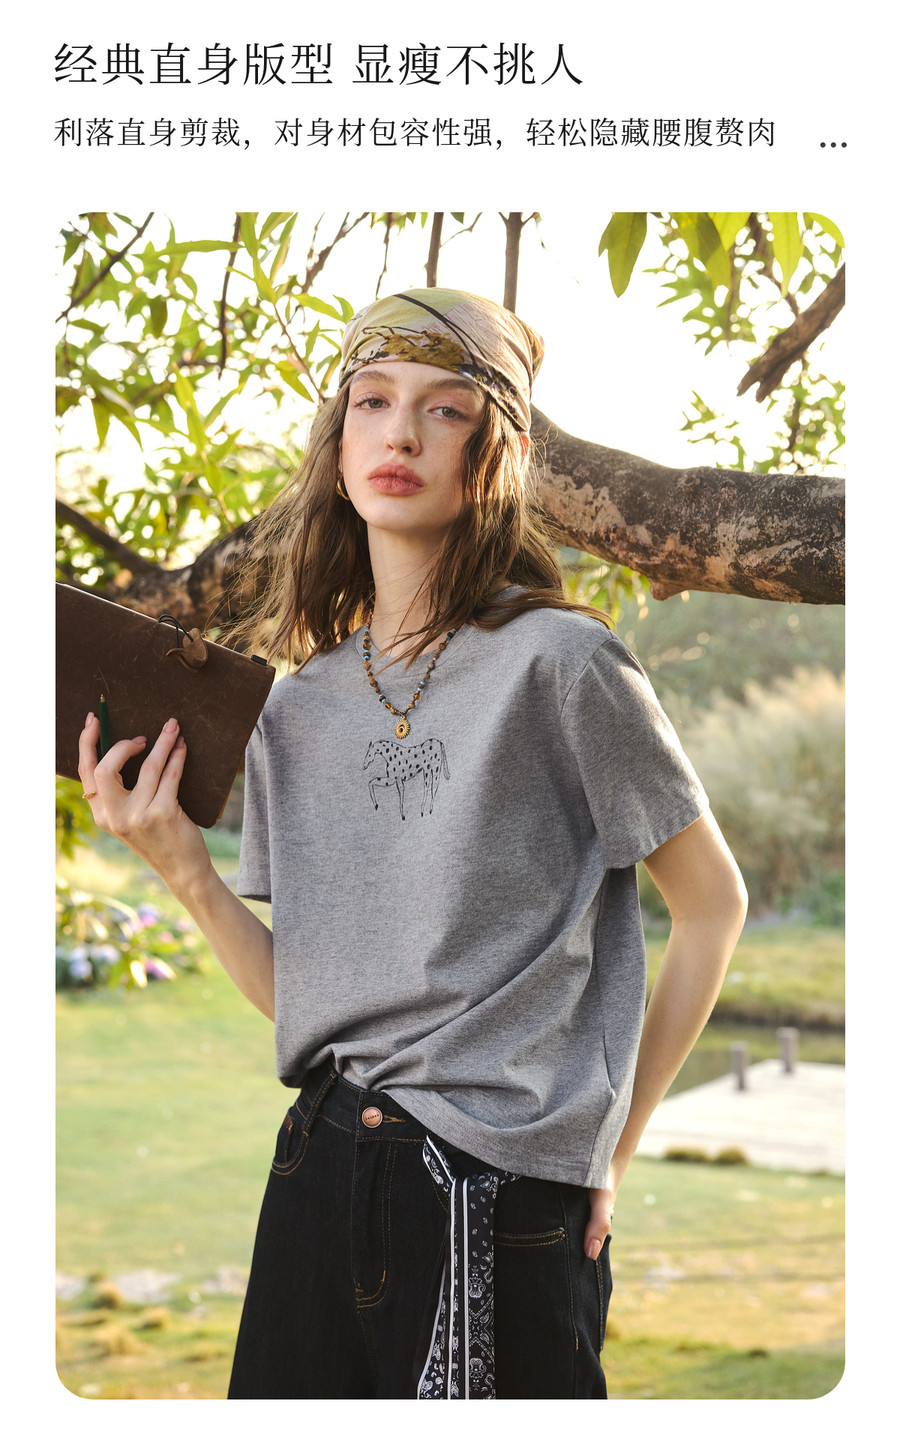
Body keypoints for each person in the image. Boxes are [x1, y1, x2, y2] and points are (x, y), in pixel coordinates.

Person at [78, 287, 748, 1400]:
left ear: (501, 452)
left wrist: (610, 1150)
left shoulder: (565, 665)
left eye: (446, 410)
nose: (400, 435)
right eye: (373, 402)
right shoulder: (300, 706)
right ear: (337, 441)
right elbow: (313, 1000)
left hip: (501, 1191)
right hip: (317, 1167)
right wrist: (183, 870)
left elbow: (713, 905)